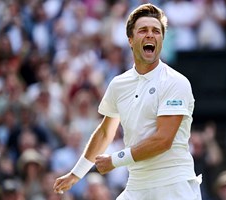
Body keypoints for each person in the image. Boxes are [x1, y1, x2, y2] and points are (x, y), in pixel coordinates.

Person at [53, 3, 202, 200]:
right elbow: (106, 132)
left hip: (173, 186)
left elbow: (163, 140)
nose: (150, 35)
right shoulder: (119, 84)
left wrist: (115, 160)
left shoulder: (176, 82)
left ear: (162, 39)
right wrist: (77, 173)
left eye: (156, 31)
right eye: (143, 30)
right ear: (130, 40)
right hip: (137, 185)